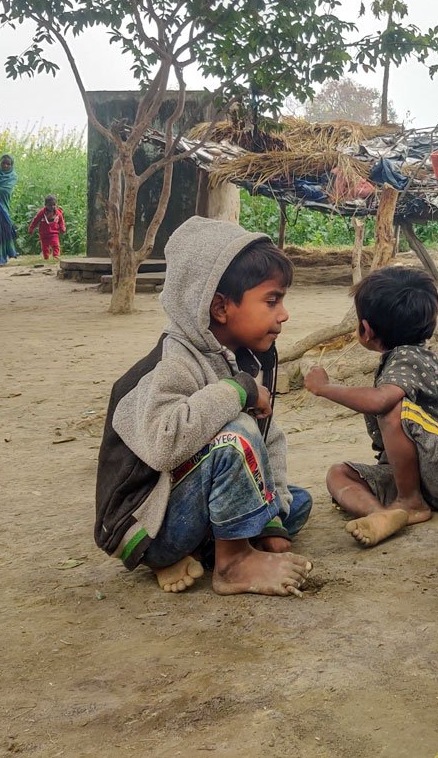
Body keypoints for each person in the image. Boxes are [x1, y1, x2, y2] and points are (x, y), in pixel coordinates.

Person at [94, 217, 313, 596]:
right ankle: (231, 564)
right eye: (272, 300)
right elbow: (165, 444)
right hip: (148, 523)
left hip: (183, 505)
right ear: (220, 307)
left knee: (295, 503)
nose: (284, 314)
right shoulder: (172, 363)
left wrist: (274, 522)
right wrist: (239, 390)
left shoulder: (235, 358)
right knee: (237, 437)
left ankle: (200, 552)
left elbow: (270, 439)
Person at [304, 267, 438, 548]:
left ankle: (410, 504)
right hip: (424, 478)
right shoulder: (404, 357)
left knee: (392, 408)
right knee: (338, 473)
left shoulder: (410, 357)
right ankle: (383, 515)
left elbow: (380, 401)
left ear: (365, 329)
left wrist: (325, 388)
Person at [29, 195, 67, 259]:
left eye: (54, 205)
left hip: (54, 233)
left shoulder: (58, 213)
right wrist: (31, 229)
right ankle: (46, 257)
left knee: (56, 245)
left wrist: (62, 228)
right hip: (44, 234)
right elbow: (35, 220)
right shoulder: (42, 213)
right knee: (45, 247)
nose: (52, 207)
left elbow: (61, 221)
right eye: (50, 205)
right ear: (45, 205)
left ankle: (56, 256)